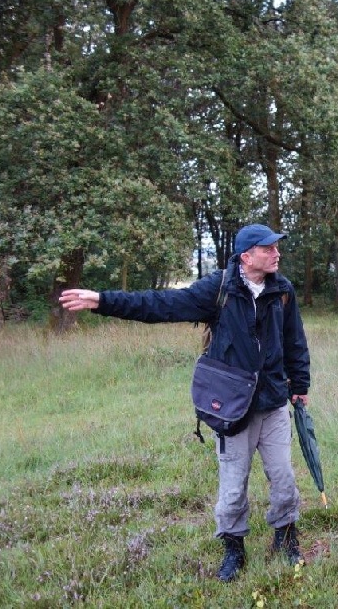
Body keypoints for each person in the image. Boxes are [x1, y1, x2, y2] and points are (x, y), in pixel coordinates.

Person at [58, 223, 311, 582]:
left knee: (284, 477)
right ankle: (233, 548)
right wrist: (102, 300)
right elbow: (161, 304)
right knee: (234, 485)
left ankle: (286, 538)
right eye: (269, 249)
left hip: (272, 403)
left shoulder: (282, 290)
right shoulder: (219, 289)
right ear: (247, 256)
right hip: (233, 407)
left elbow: (294, 339)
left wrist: (300, 384)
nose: (277, 254)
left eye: (276, 248)